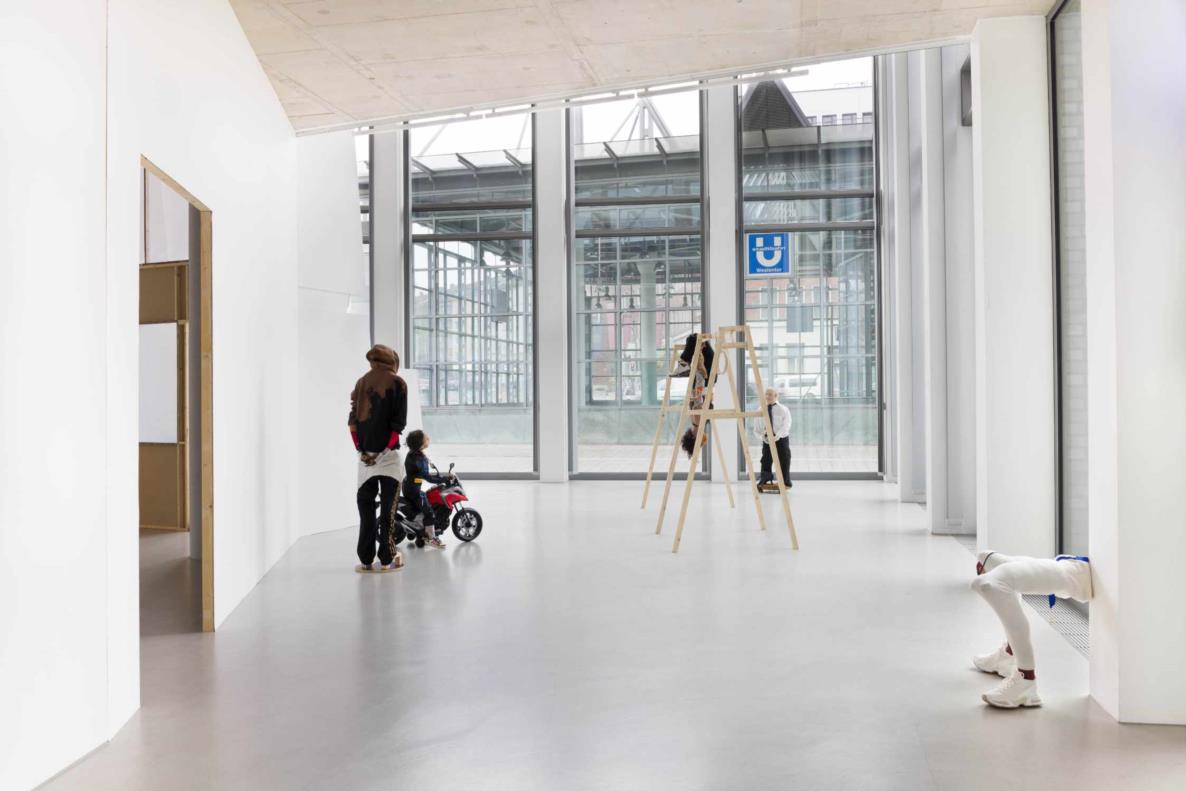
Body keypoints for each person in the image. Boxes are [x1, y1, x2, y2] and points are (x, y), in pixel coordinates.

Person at [970, 551, 1093, 708]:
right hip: (1070, 565)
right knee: (986, 557)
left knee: (987, 584)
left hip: (1078, 573)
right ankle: (1009, 655)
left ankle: (1025, 680)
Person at [349, 344, 407, 570]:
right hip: (389, 458)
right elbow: (398, 425)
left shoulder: (361, 382)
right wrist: (383, 452)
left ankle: (365, 559)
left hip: (365, 460)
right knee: (388, 511)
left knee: (366, 511)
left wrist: (361, 450)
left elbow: (353, 423)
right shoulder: (398, 383)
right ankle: (386, 557)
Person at [402, 430, 449, 550]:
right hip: (414, 491)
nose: (428, 439)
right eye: (426, 438)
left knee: (426, 503)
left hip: (409, 486)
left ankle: (421, 529)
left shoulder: (413, 454)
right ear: (421, 444)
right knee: (430, 513)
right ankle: (431, 538)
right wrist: (444, 479)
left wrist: (441, 478)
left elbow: (425, 475)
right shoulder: (419, 459)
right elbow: (428, 477)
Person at [754, 387, 792, 490]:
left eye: (770, 394)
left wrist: (778, 435)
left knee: (784, 459)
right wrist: (763, 437)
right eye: (766, 394)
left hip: (781, 438)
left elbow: (787, 424)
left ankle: (785, 481)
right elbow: (757, 428)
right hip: (767, 439)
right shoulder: (760, 410)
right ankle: (765, 478)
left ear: (776, 396)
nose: (767, 396)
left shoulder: (783, 409)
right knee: (765, 459)